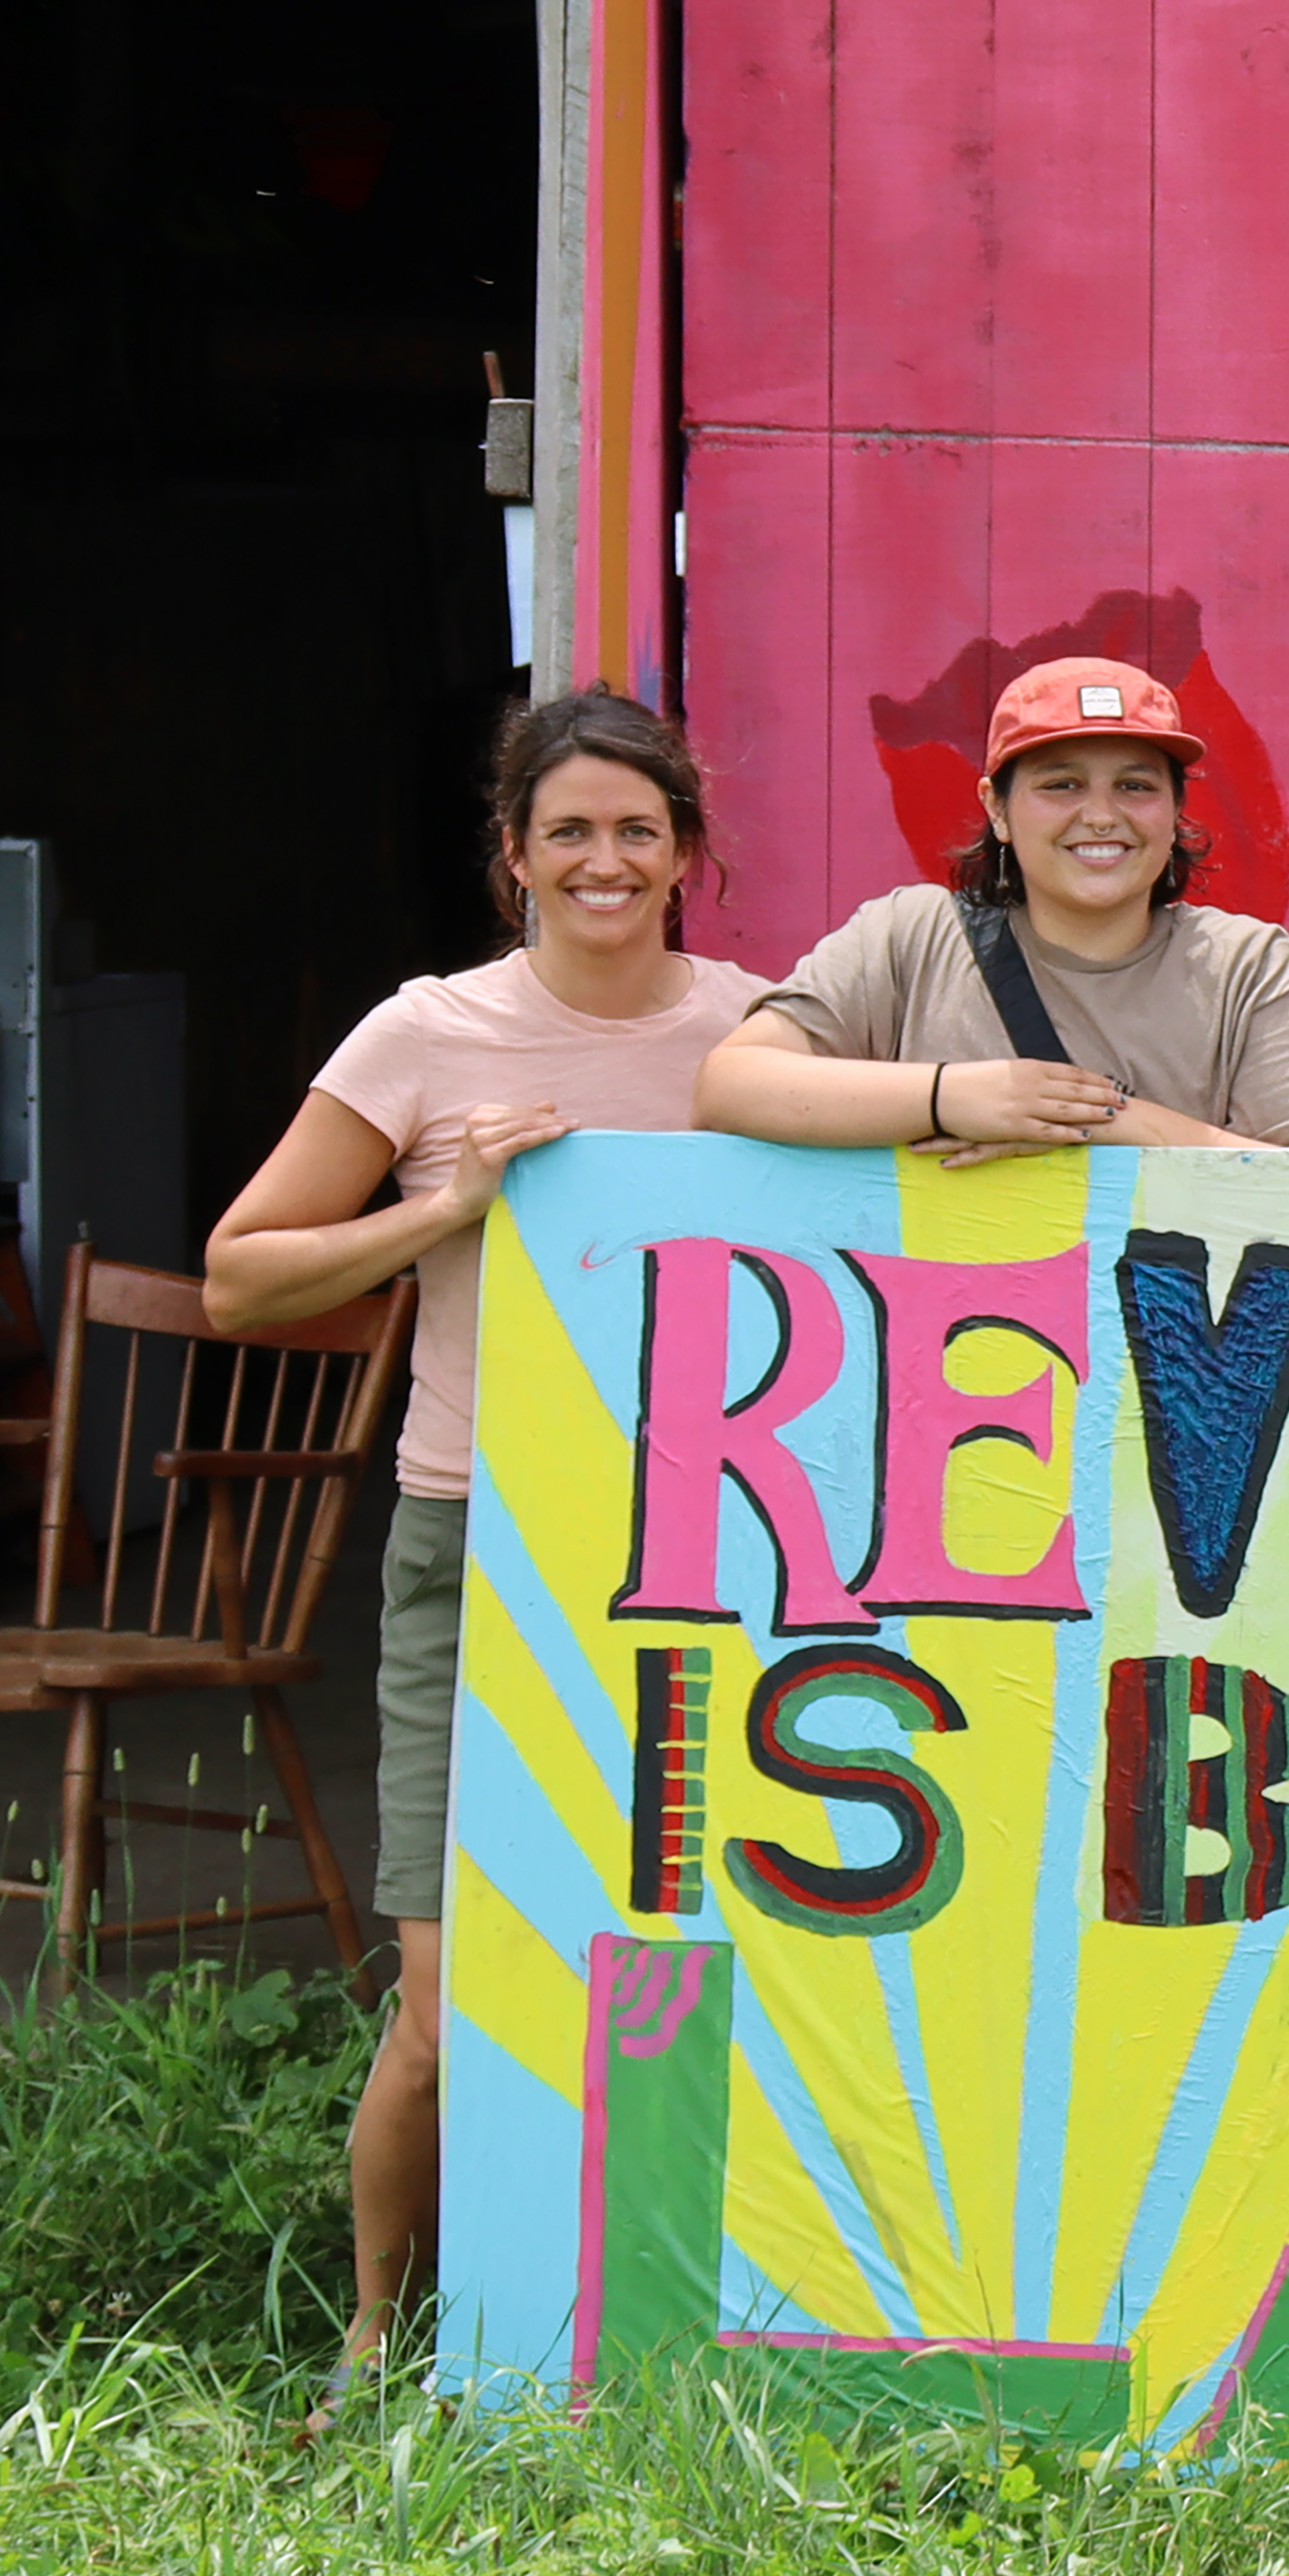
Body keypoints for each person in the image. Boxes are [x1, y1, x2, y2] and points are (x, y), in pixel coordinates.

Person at [200, 690, 772, 2394]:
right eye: (571, 830)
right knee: (451, 2011)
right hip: (482, 1538)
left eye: (640, 829)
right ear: (513, 852)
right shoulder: (426, 1034)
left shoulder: (761, 1030)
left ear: (689, 855)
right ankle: (382, 2332)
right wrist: (445, 1206)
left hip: (713, 1555)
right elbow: (240, 1275)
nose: (607, 860)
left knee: (709, 1972)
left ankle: (676, 2322)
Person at [694, 657, 1289, 1155]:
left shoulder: (1249, 968)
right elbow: (729, 1086)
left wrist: (1109, 1122)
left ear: (1175, 811)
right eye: (1062, 785)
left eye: (1136, 786)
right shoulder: (911, 937)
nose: (1102, 816)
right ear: (997, 808)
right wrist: (953, 1099)